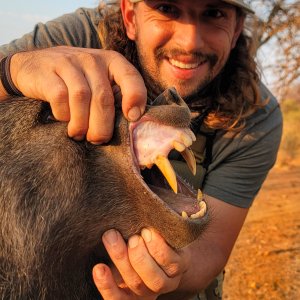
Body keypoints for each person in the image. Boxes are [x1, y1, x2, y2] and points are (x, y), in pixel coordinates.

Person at [0, 0, 282, 299]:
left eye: (213, 13)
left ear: (237, 28)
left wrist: (175, 268)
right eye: (167, 8)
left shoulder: (256, 114)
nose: (189, 42)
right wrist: (11, 71)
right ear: (130, 16)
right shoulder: (78, 37)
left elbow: (210, 250)